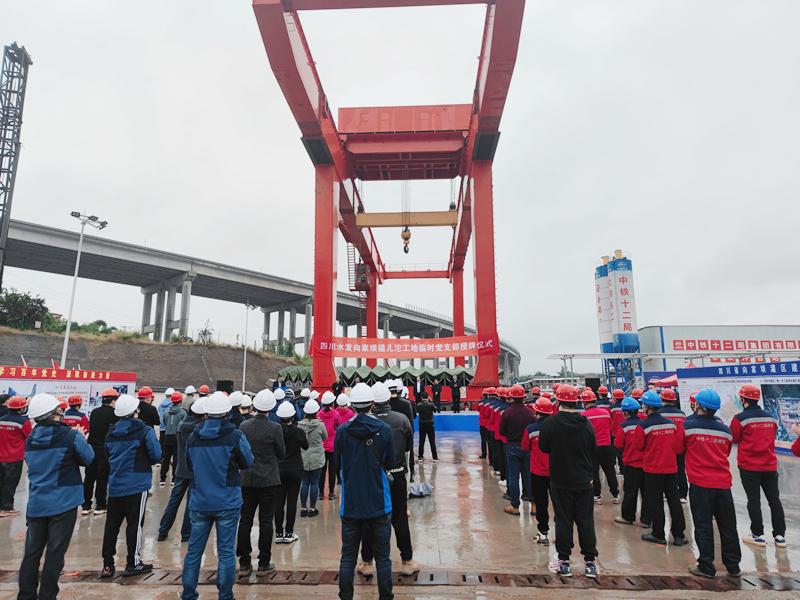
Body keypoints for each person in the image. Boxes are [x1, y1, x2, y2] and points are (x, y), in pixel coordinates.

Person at [19, 394, 94, 600]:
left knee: (32, 553)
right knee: (54, 553)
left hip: (37, 503)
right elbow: (88, 458)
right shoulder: (71, 436)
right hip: (63, 502)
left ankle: (26, 595)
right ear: (56, 412)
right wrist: (81, 438)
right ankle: (47, 596)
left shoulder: (31, 438)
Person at [182, 391, 253, 600]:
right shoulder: (235, 436)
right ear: (227, 412)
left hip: (200, 500)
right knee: (226, 551)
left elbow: (189, 464)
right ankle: (225, 595)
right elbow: (247, 461)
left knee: (194, 551)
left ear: (206, 413)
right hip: (227, 500)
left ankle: (188, 594)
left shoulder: (194, 436)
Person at [334, 383, 395, 600]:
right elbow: (390, 462)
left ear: (352, 405)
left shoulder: (342, 431)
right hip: (379, 502)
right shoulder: (384, 429)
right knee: (383, 558)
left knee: (348, 558)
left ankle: (346, 596)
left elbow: (337, 464)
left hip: (351, 503)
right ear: (372, 404)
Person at [538, 384, 598, 578]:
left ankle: (563, 562)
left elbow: (543, 447)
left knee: (563, 520)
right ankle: (590, 563)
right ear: (576, 402)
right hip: (584, 481)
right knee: (585, 521)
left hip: (560, 480)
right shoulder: (586, 423)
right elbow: (593, 448)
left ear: (557, 401)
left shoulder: (550, 423)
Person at [359, 382, 418, 577]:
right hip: (397, 475)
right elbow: (408, 447)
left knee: (369, 518)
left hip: (372, 477)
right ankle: (407, 561)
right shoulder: (401, 419)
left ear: (372, 401)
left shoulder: (364, 422)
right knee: (400, 518)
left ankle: (367, 562)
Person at [682, 389, 742, 578]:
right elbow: (725, 452)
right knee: (728, 525)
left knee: (703, 524)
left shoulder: (686, 427)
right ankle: (733, 566)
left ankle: (706, 566)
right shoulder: (725, 430)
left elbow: (678, 449)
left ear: (698, 405)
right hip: (723, 483)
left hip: (700, 483)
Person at [730, 384, 786, 548]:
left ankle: (757, 534)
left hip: (749, 466)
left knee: (753, 500)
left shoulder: (739, 419)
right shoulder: (771, 418)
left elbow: (734, 438)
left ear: (743, 399)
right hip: (769, 466)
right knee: (774, 500)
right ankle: (780, 536)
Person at [237, 389, 285, 575]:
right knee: (266, 521)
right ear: (271, 408)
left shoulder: (244, 426)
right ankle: (264, 562)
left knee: (245, 520)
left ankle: (244, 562)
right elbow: (281, 453)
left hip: (247, 479)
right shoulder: (275, 428)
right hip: (269, 480)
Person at [633, 390, 687, 547]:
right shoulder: (671, 424)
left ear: (646, 406)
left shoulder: (643, 425)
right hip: (671, 468)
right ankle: (679, 535)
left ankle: (658, 534)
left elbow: (638, 446)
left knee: (656, 502)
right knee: (674, 501)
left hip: (653, 469)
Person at [158, 396, 206, 542]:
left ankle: (163, 531)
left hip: (181, 468)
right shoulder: (201, 429)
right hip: (195, 471)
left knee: (174, 501)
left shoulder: (181, 425)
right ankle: (186, 534)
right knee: (190, 503)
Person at [521, 396, 554, 545]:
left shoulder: (530, 429)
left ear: (536, 412)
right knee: (559, 504)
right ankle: (562, 534)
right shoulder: (556, 427)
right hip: (556, 472)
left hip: (538, 472)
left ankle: (543, 534)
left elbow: (525, 447)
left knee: (541, 504)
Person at [613, 397, 651, 528]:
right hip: (645, 464)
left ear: (626, 413)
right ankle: (646, 520)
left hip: (631, 464)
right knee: (646, 492)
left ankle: (627, 517)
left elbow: (618, 444)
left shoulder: (624, 427)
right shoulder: (645, 424)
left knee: (630, 492)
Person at [275, 401, 308, 544]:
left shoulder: (276, 431)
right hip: (295, 468)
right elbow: (306, 446)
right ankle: (289, 532)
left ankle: (278, 532)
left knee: (279, 501)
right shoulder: (298, 431)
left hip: (280, 468)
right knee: (292, 501)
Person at [499, 384, 536, 515]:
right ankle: (534, 505)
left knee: (514, 477)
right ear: (523, 398)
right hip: (528, 448)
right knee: (529, 476)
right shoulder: (530, 413)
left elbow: (502, 431)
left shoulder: (507, 413)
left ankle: (515, 506)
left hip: (512, 447)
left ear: (511, 398)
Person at [83, 388, 120, 515]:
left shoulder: (94, 412)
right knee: (102, 478)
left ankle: (86, 505)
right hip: (104, 449)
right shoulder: (114, 414)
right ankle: (100, 505)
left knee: (89, 477)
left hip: (91, 448)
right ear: (113, 401)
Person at [581, 389, 619, 505]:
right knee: (610, 471)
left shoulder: (583, 416)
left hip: (593, 448)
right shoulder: (605, 413)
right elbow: (610, 427)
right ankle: (616, 495)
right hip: (607, 446)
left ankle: (597, 495)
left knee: (594, 472)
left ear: (585, 403)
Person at [0, 395, 32, 517]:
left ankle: (2, 506)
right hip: (14, 458)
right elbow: (30, 436)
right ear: (22, 409)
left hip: (1, 456)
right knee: (10, 483)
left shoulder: (1, 419)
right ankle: (6, 508)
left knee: (1, 482)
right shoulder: (23, 422)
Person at [659, 388, 688, 503]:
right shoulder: (682, 414)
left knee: (666, 471)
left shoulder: (659, 413)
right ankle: (683, 495)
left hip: (664, 446)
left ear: (662, 399)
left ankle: (667, 493)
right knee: (680, 469)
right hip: (679, 446)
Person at [298, 398, 327, 517]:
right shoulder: (320, 425)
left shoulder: (299, 425)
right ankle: (312, 508)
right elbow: (325, 437)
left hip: (304, 456)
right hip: (317, 456)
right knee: (315, 482)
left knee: (304, 483)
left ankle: (303, 508)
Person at [160, 391, 188, 487]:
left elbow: (164, 422)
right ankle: (174, 478)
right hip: (177, 437)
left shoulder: (166, 412)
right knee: (176, 458)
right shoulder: (183, 412)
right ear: (180, 401)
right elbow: (185, 424)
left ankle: (162, 478)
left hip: (167, 436)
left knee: (166, 458)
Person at [318, 391, 340, 500]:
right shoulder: (335, 414)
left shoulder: (319, 414)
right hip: (332, 446)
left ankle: (321, 492)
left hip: (321, 446)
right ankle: (331, 492)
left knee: (321, 471)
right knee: (332, 470)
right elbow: (338, 427)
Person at [417, 392, 438, 463]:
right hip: (430, 424)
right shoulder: (431, 405)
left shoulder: (419, 405)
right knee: (432, 442)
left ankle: (420, 457)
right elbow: (435, 409)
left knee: (421, 441)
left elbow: (418, 411)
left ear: (421, 398)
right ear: (428, 397)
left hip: (422, 424)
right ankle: (435, 457)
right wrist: (431, 401)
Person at [478, 387, 496, 460]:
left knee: (483, 440)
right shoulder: (494, 403)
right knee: (491, 442)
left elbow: (478, 409)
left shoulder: (481, 402)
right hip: (490, 424)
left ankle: (484, 454)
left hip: (482, 423)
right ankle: (491, 457)